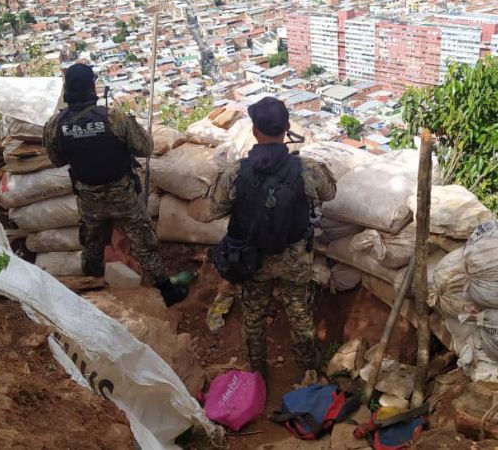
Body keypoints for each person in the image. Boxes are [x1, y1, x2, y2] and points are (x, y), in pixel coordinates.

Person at [190, 96, 336, 378]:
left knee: (253, 317)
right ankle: (307, 373)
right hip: (293, 257)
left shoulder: (235, 172)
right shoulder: (307, 169)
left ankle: (258, 373)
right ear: (287, 128)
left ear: (254, 130)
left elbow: (217, 209)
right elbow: (329, 193)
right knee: (300, 317)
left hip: (251, 258)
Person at [43, 63, 187, 306]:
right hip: (122, 193)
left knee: (92, 246)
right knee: (143, 241)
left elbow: (57, 160)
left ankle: (93, 294)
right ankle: (166, 292)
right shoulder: (113, 118)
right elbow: (145, 148)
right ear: (92, 87)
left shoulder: (55, 126)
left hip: (88, 196)